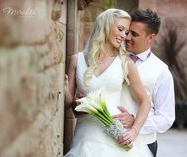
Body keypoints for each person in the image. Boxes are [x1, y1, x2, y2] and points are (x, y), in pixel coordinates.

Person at [64, 8, 152, 157]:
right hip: (86, 137)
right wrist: (67, 94)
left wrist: (134, 131)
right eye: (121, 29)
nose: (124, 36)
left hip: (116, 137)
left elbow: (146, 101)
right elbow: (70, 105)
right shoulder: (76, 60)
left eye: (126, 32)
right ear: (105, 25)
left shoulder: (125, 63)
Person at [112, 8, 175, 157]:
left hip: (143, 144)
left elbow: (166, 118)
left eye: (134, 34)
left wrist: (135, 122)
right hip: (107, 139)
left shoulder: (162, 72)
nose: (127, 37)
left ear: (151, 37)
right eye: (127, 32)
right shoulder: (112, 58)